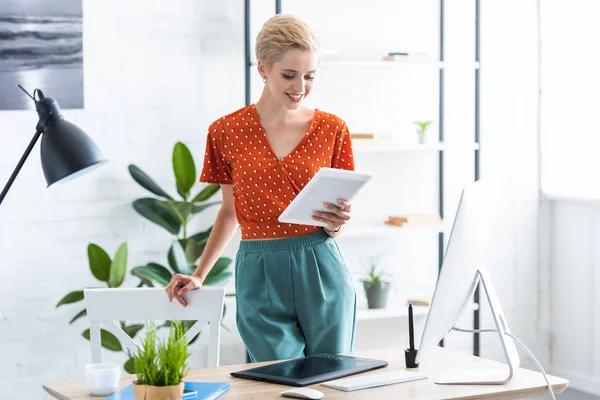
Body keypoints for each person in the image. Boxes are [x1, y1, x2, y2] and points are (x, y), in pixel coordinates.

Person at [165, 14, 356, 362]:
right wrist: (199, 274)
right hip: (258, 267)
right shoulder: (225, 131)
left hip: (320, 262)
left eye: (310, 76)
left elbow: (336, 218)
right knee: (277, 381)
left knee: (331, 379)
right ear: (263, 68)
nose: (301, 86)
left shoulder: (333, 129)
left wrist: (337, 221)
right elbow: (229, 211)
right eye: (289, 74)